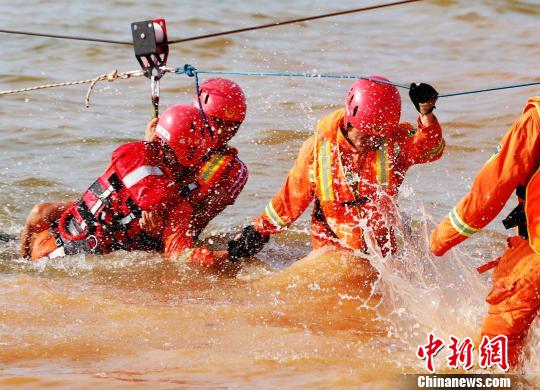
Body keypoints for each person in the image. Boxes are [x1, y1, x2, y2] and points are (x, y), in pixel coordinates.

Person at [22, 79, 249, 267]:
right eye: (216, 122)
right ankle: (19, 262)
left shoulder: (231, 169)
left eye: (233, 126)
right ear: (197, 113)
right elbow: (111, 182)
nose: (223, 132)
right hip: (133, 206)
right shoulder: (168, 131)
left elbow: (197, 222)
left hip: (165, 223)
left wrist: (157, 222)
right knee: (41, 212)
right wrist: (149, 148)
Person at [226, 77, 444, 261]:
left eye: (377, 138)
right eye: (365, 135)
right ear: (349, 121)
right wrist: (259, 231)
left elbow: (430, 151)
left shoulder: (394, 140)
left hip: (382, 253)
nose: (371, 141)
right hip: (331, 250)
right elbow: (292, 197)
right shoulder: (317, 149)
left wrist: (427, 117)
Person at [430, 96, 540, 368]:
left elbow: (489, 192)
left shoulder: (536, 120)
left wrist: (440, 239)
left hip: (534, 256)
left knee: (498, 354)